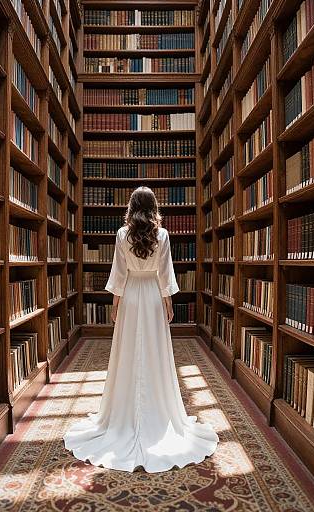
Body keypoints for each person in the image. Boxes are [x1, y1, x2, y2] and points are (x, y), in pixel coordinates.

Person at [63, 186, 219, 472]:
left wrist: (115, 304)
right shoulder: (163, 235)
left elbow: (119, 273)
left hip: (132, 295)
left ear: (131, 207)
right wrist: (168, 301)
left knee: (127, 350)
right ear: (154, 206)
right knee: (156, 351)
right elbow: (165, 272)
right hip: (152, 296)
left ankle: (122, 414)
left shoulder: (123, 234)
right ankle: (159, 412)